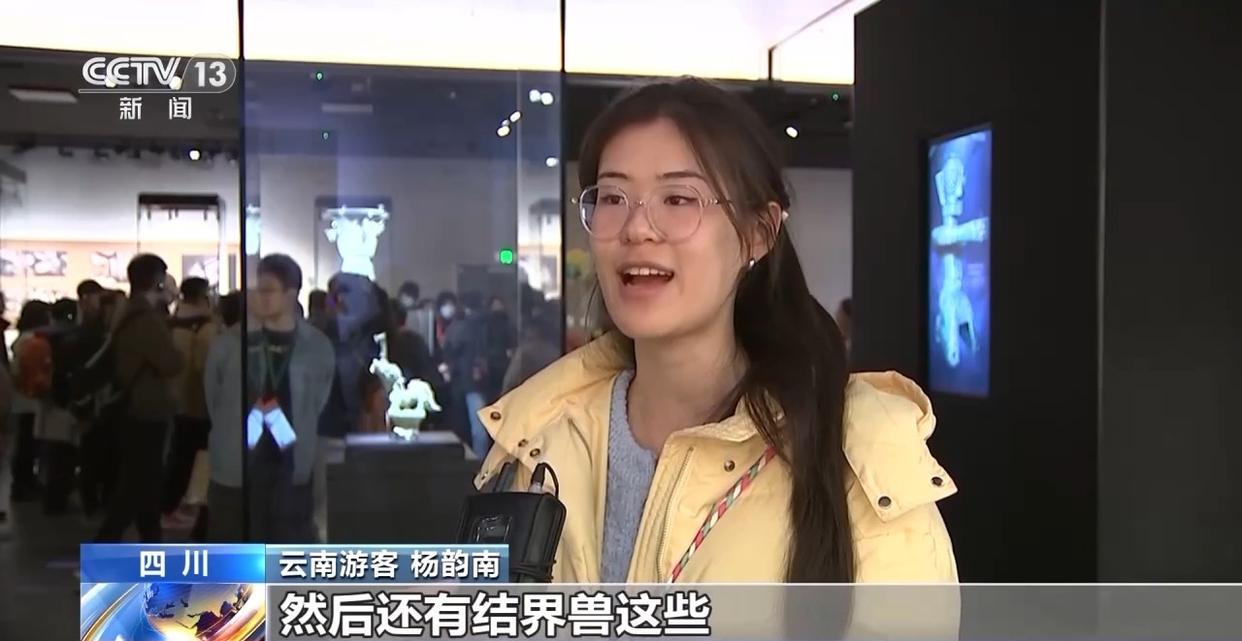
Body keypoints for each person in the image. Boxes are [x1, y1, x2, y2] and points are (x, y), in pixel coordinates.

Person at [472, 79, 957, 585]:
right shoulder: (536, 445)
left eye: (678, 198)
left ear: (759, 233)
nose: (637, 228)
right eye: (613, 197)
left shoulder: (859, 462)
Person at [205, 254, 334, 542]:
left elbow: (318, 401)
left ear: (290, 294)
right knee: (233, 544)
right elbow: (213, 398)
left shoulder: (316, 346)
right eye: (257, 289)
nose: (258, 296)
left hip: (290, 462)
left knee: (286, 545)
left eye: (268, 290)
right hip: (236, 462)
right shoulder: (229, 343)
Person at [94, 254, 184, 542]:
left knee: (144, 482)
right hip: (147, 407)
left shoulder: (127, 311)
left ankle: (150, 540)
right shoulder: (146, 318)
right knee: (139, 482)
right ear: (156, 280)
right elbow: (170, 363)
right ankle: (105, 545)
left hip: (132, 404)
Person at [163, 277, 218, 525]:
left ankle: (172, 504)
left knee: (180, 455)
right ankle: (174, 505)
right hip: (196, 401)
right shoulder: (204, 327)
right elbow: (203, 367)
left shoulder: (173, 322)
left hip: (174, 398)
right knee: (189, 457)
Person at [9, 300, 52, 504]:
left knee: (25, 443)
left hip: (22, 397)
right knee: (28, 444)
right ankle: (23, 483)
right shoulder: (34, 341)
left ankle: (23, 482)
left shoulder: (22, 339)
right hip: (32, 396)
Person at [501, 315, 560, 395]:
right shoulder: (553, 350)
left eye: (527, 329)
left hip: (526, 396)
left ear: (534, 330)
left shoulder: (524, 352)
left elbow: (511, 380)